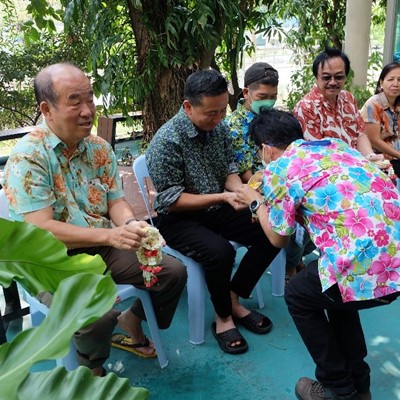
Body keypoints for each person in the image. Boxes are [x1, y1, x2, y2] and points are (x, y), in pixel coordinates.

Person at [2, 63, 187, 376]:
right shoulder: (28, 157)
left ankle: (132, 319)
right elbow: (42, 230)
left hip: (101, 246)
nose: (88, 111)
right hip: (48, 261)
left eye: (90, 99)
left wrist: (129, 225)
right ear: (47, 109)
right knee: (98, 315)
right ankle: (92, 368)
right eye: (75, 101)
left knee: (171, 272)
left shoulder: (99, 148)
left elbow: (115, 200)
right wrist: (109, 237)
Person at [237, 108, 400, 400]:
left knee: (298, 294)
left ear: (265, 149)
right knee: (333, 291)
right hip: (394, 258)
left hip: (369, 266)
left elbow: (277, 239)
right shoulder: (335, 146)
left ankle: (336, 388)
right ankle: (359, 384)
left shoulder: (279, 168)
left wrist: (255, 203)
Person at [146, 68, 280, 355]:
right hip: (177, 218)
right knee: (220, 252)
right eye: (211, 113)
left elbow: (229, 170)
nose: (218, 119)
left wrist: (241, 193)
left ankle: (232, 296)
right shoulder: (166, 141)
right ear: (187, 106)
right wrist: (222, 195)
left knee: (272, 230)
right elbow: (170, 200)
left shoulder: (218, 129)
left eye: (222, 111)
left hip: (216, 206)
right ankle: (223, 318)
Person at [226, 62, 310, 283]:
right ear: (247, 93)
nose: (269, 101)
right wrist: (276, 183)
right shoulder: (233, 127)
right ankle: (291, 266)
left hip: (281, 179)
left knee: (311, 207)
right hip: (255, 188)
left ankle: (294, 260)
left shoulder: (274, 117)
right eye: (263, 95)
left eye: (273, 96)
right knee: (293, 217)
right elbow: (246, 176)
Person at [293, 46, 382, 162]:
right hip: (328, 170)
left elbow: (360, 134)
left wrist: (370, 156)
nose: (333, 82)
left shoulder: (348, 98)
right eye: (326, 77)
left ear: (346, 77)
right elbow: (317, 153)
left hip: (356, 165)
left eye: (339, 77)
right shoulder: (306, 107)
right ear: (316, 77)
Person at [360, 61, 400, 177]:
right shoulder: (373, 104)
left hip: (395, 157)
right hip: (378, 159)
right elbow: (375, 141)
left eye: (399, 80)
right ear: (381, 83)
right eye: (391, 79)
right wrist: (398, 155)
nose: (396, 84)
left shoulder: (398, 105)